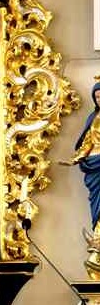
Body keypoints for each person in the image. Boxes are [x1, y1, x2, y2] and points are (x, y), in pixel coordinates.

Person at [61, 81, 100, 230]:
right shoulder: (93, 118)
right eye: (97, 97)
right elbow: (87, 142)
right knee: (96, 200)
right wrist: (75, 159)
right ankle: (98, 233)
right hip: (93, 162)